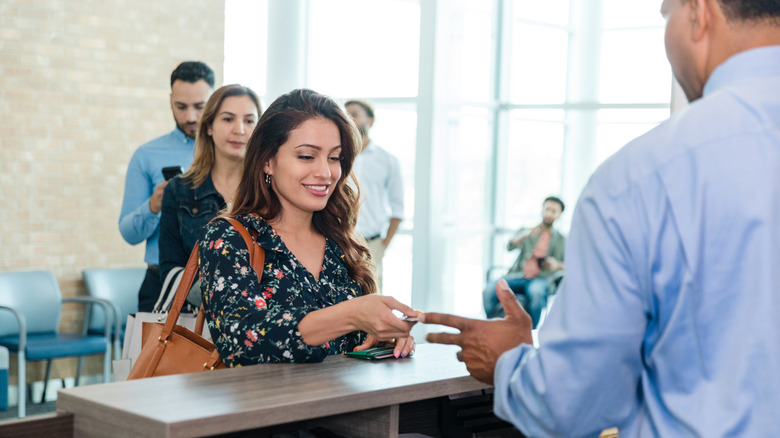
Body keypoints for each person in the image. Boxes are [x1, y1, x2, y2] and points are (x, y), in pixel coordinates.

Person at [421, 0, 780, 436]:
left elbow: (573, 406)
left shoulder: (643, 175)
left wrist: (508, 361)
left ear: (699, 13)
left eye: (665, 13)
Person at [198, 89, 417, 365]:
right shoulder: (229, 238)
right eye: (306, 156)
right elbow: (242, 341)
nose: (325, 173)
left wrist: (385, 335)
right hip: (268, 407)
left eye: (334, 157)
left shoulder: (341, 243)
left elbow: (353, 345)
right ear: (267, 161)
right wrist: (352, 314)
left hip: (352, 405)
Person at [119, 61, 215, 312]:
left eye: (199, 107)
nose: (190, 117)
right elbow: (128, 233)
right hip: (160, 284)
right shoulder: (147, 155)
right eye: (181, 107)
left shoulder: (231, 155)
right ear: (170, 100)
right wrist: (153, 206)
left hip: (218, 286)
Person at [158, 84, 261, 308]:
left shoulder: (269, 190)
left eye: (249, 120)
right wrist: (226, 302)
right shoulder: (179, 190)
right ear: (208, 127)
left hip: (261, 323)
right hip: (195, 325)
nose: (240, 129)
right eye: (227, 119)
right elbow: (170, 269)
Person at [345, 99, 404, 290]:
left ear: (369, 121)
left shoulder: (387, 161)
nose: (349, 119)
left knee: (372, 298)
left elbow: (398, 208)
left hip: (373, 244)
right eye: (346, 115)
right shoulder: (338, 156)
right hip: (341, 240)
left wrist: (383, 245)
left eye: (354, 114)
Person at [482, 196, 566, 327]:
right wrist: (524, 235)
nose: (549, 214)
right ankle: (493, 325)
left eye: (553, 211)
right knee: (489, 290)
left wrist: (555, 265)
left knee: (536, 293)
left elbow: (570, 265)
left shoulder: (561, 239)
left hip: (541, 279)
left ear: (559, 215)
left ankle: (530, 331)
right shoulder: (527, 231)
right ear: (542, 210)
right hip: (517, 275)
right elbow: (509, 247)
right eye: (547, 209)